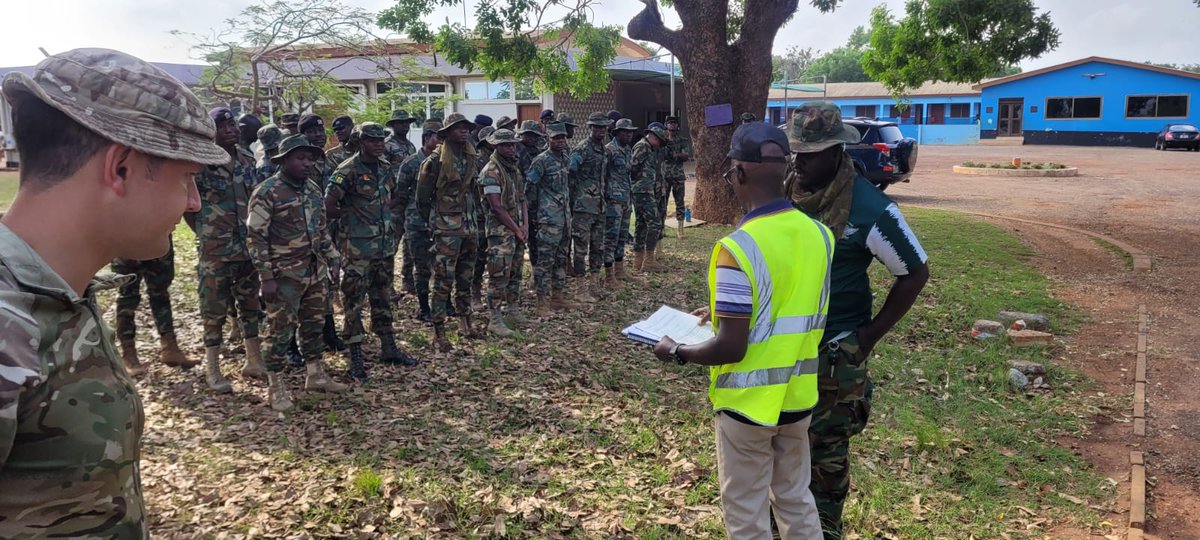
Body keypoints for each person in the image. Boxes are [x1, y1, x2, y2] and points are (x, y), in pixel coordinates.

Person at [0, 46, 226, 538]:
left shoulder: (60, 289)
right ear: (120, 168)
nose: (194, 201)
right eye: (188, 177)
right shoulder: (8, 320)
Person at [653, 122, 832, 540]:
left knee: (746, 509)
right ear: (785, 170)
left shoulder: (737, 248)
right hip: (798, 394)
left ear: (739, 173)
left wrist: (677, 351)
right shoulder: (820, 235)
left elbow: (732, 346)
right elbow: (788, 303)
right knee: (795, 498)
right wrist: (722, 311)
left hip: (748, 403)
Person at [784, 102, 930, 539]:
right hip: (784, 352)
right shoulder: (787, 193)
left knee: (825, 466)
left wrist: (866, 338)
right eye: (796, 152)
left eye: (811, 153)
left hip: (833, 358)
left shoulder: (869, 207)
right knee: (783, 459)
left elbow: (915, 271)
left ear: (837, 153)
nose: (800, 161)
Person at [247, 135, 348, 411]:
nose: (307, 163)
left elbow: (320, 229)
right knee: (280, 332)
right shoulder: (267, 192)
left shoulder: (313, 190)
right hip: (283, 276)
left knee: (314, 325)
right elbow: (256, 237)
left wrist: (333, 257)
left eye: (310, 158)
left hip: (314, 272)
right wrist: (265, 277)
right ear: (284, 161)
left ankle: (315, 374)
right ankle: (276, 385)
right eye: (300, 158)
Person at [326, 122, 419, 382]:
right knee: (354, 301)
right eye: (372, 140)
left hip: (383, 246)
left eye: (381, 140)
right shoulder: (347, 170)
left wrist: (380, 216)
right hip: (357, 248)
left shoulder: (385, 168)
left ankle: (388, 346)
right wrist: (353, 216)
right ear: (360, 141)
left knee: (382, 296)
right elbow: (328, 205)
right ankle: (355, 356)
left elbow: (391, 198)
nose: (378, 144)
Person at [185, 107, 267, 394]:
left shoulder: (246, 158)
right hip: (216, 248)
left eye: (232, 125)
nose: (231, 129)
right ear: (211, 131)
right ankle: (213, 368)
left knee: (249, 303)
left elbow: (255, 198)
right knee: (214, 307)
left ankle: (253, 360)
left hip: (246, 246)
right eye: (223, 126)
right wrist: (206, 232)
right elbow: (190, 207)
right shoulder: (200, 163)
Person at [417, 113, 480, 352]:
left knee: (466, 277)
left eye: (466, 127)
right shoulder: (434, 162)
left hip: (469, 227)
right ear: (446, 133)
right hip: (446, 229)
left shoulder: (471, 156)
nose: (464, 131)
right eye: (458, 128)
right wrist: (437, 223)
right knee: (443, 280)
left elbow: (473, 192)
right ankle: (439, 330)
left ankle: (466, 322)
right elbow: (422, 200)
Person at [298, 113, 347, 353]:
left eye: (320, 131)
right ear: (302, 135)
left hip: (329, 232)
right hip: (304, 236)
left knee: (327, 283)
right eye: (311, 132)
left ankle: (329, 333)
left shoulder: (327, 161)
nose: (317, 135)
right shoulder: (299, 163)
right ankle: (296, 343)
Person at [111, 240, 195, 376]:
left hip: (157, 240)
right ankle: (128, 354)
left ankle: (170, 347)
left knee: (160, 292)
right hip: (126, 239)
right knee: (127, 297)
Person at [478, 129, 530, 336]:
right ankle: (495, 317)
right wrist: (517, 229)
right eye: (505, 145)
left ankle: (513, 308)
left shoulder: (513, 170)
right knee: (498, 274)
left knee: (516, 271)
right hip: (500, 233)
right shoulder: (491, 171)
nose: (510, 148)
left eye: (512, 144)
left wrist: (525, 225)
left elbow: (521, 199)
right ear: (495, 147)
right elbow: (496, 207)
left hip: (517, 230)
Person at [525, 122, 580, 314]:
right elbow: (529, 189)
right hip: (547, 219)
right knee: (545, 261)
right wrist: (534, 215)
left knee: (561, 259)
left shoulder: (565, 158)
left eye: (562, 138)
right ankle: (542, 302)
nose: (560, 141)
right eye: (556, 138)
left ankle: (558, 297)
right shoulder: (541, 161)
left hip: (564, 218)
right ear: (548, 139)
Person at [397, 120, 442, 321]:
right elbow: (400, 194)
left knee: (442, 265)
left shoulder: (444, 161)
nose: (441, 142)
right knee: (422, 266)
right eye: (438, 138)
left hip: (440, 221)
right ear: (427, 139)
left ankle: (444, 304)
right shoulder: (411, 163)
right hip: (416, 222)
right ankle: (424, 308)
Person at [568, 112, 611, 301]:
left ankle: (594, 284)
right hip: (583, 207)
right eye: (597, 127)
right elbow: (570, 173)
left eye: (603, 127)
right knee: (580, 248)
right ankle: (580, 289)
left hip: (599, 206)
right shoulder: (582, 149)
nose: (601, 130)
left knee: (598, 246)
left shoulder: (603, 149)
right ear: (590, 127)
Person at [603, 118, 639, 284]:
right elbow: (602, 175)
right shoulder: (609, 150)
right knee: (611, 237)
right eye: (625, 132)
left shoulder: (628, 150)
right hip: (613, 201)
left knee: (622, 236)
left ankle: (620, 270)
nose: (629, 134)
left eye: (630, 131)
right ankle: (609, 275)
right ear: (617, 133)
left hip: (626, 199)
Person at [630, 124, 667, 273]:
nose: (659, 145)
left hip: (644, 190)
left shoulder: (648, 148)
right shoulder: (643, 147)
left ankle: (638, 261)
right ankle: (649, 260)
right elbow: (632, 167)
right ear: (653, 137)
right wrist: (639, 183)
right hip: (642, 191)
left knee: (641, 224)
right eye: (659, 141)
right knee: (655, 223)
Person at [471, 125, 498, 310]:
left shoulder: (501, 161)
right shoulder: (478, 161)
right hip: (480, 215)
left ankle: (496, 293)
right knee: (479, 256)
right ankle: (475, 293)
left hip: (496, 216)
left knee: (496, 256)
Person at [516, 120, 544, 282]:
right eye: (529, 135)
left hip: (537, 202)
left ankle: (536, 273)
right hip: (521, 202)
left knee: (536, 240)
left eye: (535, 136)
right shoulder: (517, 150)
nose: (533, 138)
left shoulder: (537, 151)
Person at [663, 116, 692, 239]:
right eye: (670, 123)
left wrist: (674, 155)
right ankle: (661, 228)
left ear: (678, 125)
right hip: (664, 176)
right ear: (666, 125)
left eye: (674, 123)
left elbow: (686, 156)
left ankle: (680, 230)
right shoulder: (662, 139)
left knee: (679, 202)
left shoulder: (683, 140)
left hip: (678, 175)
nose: (672, 125)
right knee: (662, 202)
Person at [385, 109, 418, 177]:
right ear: (393, 125)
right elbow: (382, 169)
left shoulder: (411, 146)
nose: (405, 125)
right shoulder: (386, 145)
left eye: (407, 122)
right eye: (401, 122)